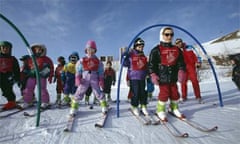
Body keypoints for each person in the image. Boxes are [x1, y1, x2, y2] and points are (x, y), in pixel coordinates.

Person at [148, 27, 186, 121]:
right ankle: (160, 110)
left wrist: (181, 71)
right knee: (164, 94)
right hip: (162, 77)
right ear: (162, 35)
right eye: (167, 34)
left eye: (171, 34)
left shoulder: (176, 49)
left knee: (175, 94)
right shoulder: (156, 50)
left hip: (173, 76)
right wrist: (153, 74)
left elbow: (181, 62)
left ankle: (174, 108)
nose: (169, 37)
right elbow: (151, 64)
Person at [69, 40, 108, 116]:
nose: (90, 51)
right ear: (86, 50)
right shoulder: (82, 60)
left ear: (95, 50)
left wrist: (101, 79)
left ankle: (104, 105)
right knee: (80, 91)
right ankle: (74, 106)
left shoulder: (97, 61)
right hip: (84, 78)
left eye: (92, 49)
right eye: (89, 49)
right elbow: (78, 69)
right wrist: (77, 78)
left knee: (97, 91)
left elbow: (100, 71)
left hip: (94, 78)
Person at [22, 43, 54, 109]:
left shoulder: (46, 59)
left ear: (43, 50)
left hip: (41, 76)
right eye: (36, 49)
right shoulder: (31, 59)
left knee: (42, 89)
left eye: (39, 49)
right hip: (32, 76)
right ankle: (28, 101)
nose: (38, 51)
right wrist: (25, 73)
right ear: (33, 50)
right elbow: (27, 67)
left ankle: (45, 101)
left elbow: (51, 67)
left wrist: (50, 76)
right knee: (28, 88)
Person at [123, 37, 149, 116]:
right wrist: (124, 55)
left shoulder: (143, 56)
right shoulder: (131, 55)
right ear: (135, 46)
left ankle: (143, 105)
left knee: (143, 92)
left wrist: (147, 73)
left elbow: (146, 66)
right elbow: (124, 64)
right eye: (139, 47)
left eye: (142, 47)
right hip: (133, 77)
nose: (141, 48)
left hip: (142, 77)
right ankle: (134, 106)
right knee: (135, 93)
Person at [175, 38, 202, 103]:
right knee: (183, 83)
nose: (179, 43)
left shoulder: (189, 47)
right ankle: (184, 96)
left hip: (191, 67)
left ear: (182, 42)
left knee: (194, 81)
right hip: (182, 69)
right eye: (177, 43)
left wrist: (198, 62)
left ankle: (198, 96)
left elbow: (197, 55)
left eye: (180, 42)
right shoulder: (176, 51)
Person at [0, 41, 20, 110]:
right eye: (3, 47)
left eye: (7, 48)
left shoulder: (12, 59)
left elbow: (16, 70)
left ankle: (11, 102)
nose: (5, 49)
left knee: (7, 89)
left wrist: (17, 78)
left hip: (8, 76)